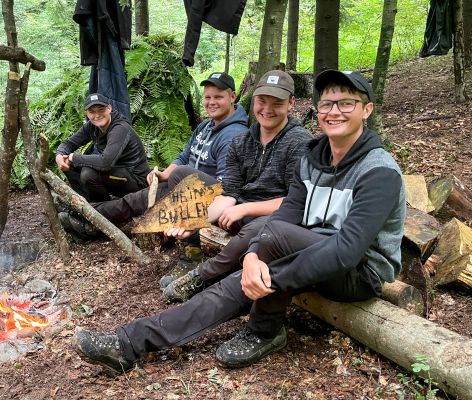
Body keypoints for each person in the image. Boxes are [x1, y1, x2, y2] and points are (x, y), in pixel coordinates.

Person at [73, 70, 406, 374]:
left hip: (359, 271)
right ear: (317, 110)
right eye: (328, 103)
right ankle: (129, 342)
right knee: (236, 279)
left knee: (262, 254)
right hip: (308, 250)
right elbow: (291, 211)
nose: (334, 111)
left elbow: (347, 252)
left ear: (367, 109)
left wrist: (270, 276)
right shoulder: (314, 157)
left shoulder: (378, 171)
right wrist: (251, 258)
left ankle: (264, 329)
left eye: (346, 103)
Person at [161, 70, 312, 302]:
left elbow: (296, 201)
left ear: (291, 103)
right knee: (185, 176)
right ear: (253, 101)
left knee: (258, 229)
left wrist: (244, 209)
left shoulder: (300, 142)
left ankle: (201, 277)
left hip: (275, 219)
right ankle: (190, 256)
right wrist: (196, 220)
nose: (267, 109)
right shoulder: (241, 141)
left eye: (277, 103)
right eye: (262, 101)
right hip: (235, 211)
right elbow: (229, 192)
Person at [62, 72, 248, 256]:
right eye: (207, 97)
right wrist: (164, 174)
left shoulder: (234, 135)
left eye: (218, 97)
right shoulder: (206, 126)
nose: (211, 102)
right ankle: (84, 214)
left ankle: (85, 218)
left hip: (198, 195)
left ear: (232, 97)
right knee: (135, 200)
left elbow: (224, 186)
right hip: (181, 183)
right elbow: (184, 156)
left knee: (132, 202)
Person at [55, 93, 150, 204]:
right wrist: (59, 155)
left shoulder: (120, 128)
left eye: (101, 110)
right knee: (69, 164)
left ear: (109, 108)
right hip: (117, 174)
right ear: (87, 114)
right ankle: (86, 204)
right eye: (92, 112)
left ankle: (101, 209)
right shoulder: (91, 126)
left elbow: (106, 162)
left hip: (136, 181)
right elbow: (68, 143)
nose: (97, 115)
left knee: (88, 173)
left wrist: (74, 157)